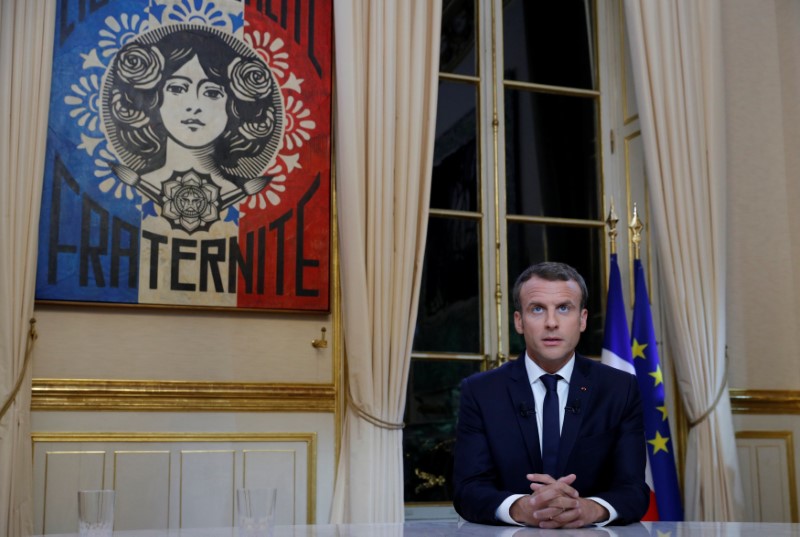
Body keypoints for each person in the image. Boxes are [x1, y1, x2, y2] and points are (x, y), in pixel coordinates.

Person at [453, 262, 649, 528]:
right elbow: (467, 490)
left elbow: (634, 491)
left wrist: (590, 509)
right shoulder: (480, 392)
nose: (551, 323)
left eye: (564, 308)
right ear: (519, 321)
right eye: (537, 309)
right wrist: (521, 508)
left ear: (582, 320)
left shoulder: (620, 389)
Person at [102, 25, 283, 215]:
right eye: (178, 89)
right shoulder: (139, 182)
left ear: (234, 107)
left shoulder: (239, 189)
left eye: (212, 92)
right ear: (153, 100)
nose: (194, 105)